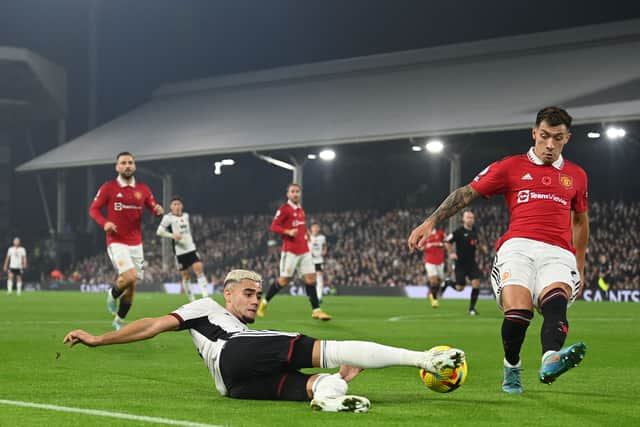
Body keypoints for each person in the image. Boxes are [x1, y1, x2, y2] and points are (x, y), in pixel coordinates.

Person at [63, 269, 465, 412]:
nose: (256, 300)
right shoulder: (205, 307)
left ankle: (329, 397)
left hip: (236, 387)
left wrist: (340, 379)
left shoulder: (249, 331)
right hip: (232, 354)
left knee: (320, 379)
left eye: (258, 295)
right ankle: (424, 359)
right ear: (229, 294)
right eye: (249, 294)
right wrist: (100, 339)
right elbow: (151, 325)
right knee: (331, 348)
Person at [408, 106, 589, 394]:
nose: (550, 144)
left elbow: (580, 220)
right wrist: (431, 221)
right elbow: (466, 193)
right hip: (517, 247)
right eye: (544, 136)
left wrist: (579, 263)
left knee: (556, 301)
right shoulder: (511, 167)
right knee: (518, 314)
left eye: (558, 137)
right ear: (534, 133)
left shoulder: (576, 176)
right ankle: (512, 366)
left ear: (567, 138)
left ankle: (550, 358)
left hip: (558, 251)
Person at [89, 152, 164, 330]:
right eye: (123, 163)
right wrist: (104, 222)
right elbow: (94, 210)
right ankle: (112, 293)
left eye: (130, 162)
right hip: (116, 241)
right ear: (117, 167)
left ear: (135, 166)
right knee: (129, 277)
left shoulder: (143, 189)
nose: (127, 165)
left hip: (136, 243)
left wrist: (157, 210)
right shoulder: (108, 188)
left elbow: (152, 207)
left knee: (132, 285)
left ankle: (119, 321)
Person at [258, 184, 332, 320]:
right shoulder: (284, 209)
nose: (295, 194)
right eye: (293, 191)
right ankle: (264, 302)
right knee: (284, 280)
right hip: (290, 251)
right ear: (288, 194)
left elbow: (301, 226)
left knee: (311, 279)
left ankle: (316, 310)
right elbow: (274, 226)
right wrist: (287, 231)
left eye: (297, 191)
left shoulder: (300, 209)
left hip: (304, 250)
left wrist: (307, 235)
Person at [157, 196, 209, 301]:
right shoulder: (168, 218)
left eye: (178, 204)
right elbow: (159, 231)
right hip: (179, 251)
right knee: (185, 276)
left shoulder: (186, 216)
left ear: (182, 206)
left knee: (199, 268)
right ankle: (192, 299)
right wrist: (172, 235)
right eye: (174, 204)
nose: (177, 206)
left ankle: (205, 296)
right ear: (171, 207)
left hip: (191, 249)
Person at [441, 211, 485, 315]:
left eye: (471, 218)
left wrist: (482, 248)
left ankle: (471, 308)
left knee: (476, 283)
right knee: (460, 288)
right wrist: (451, 252)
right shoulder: (458, 232)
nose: (470, 219)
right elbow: (446, 241)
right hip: (460, 263)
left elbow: (477, 244)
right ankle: (448, 282)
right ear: (463, 219)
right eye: (468, 217)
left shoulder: (475, 232)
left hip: (471, 263)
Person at [422, 228, 446, 308]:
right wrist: (426, 246)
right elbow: (421, 247)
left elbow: (446, 243)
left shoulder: (440, 233)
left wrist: (437, 244)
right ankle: (434, 301)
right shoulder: (425, 235)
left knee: (439, 281)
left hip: (440, 261)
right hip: (430, 261)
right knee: (434, 280)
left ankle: (431, 292)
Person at [308, 222, 327, 302]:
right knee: (311, 279)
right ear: (311, 229)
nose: (315, 229)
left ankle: (319, 297)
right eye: (314, 227)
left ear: (319, 229)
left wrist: (324, 251)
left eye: (317, 227)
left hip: (319, 260)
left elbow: (324, 245)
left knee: (319, 278)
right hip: (310, 260)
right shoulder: (308, 237)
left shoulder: (322, 237)